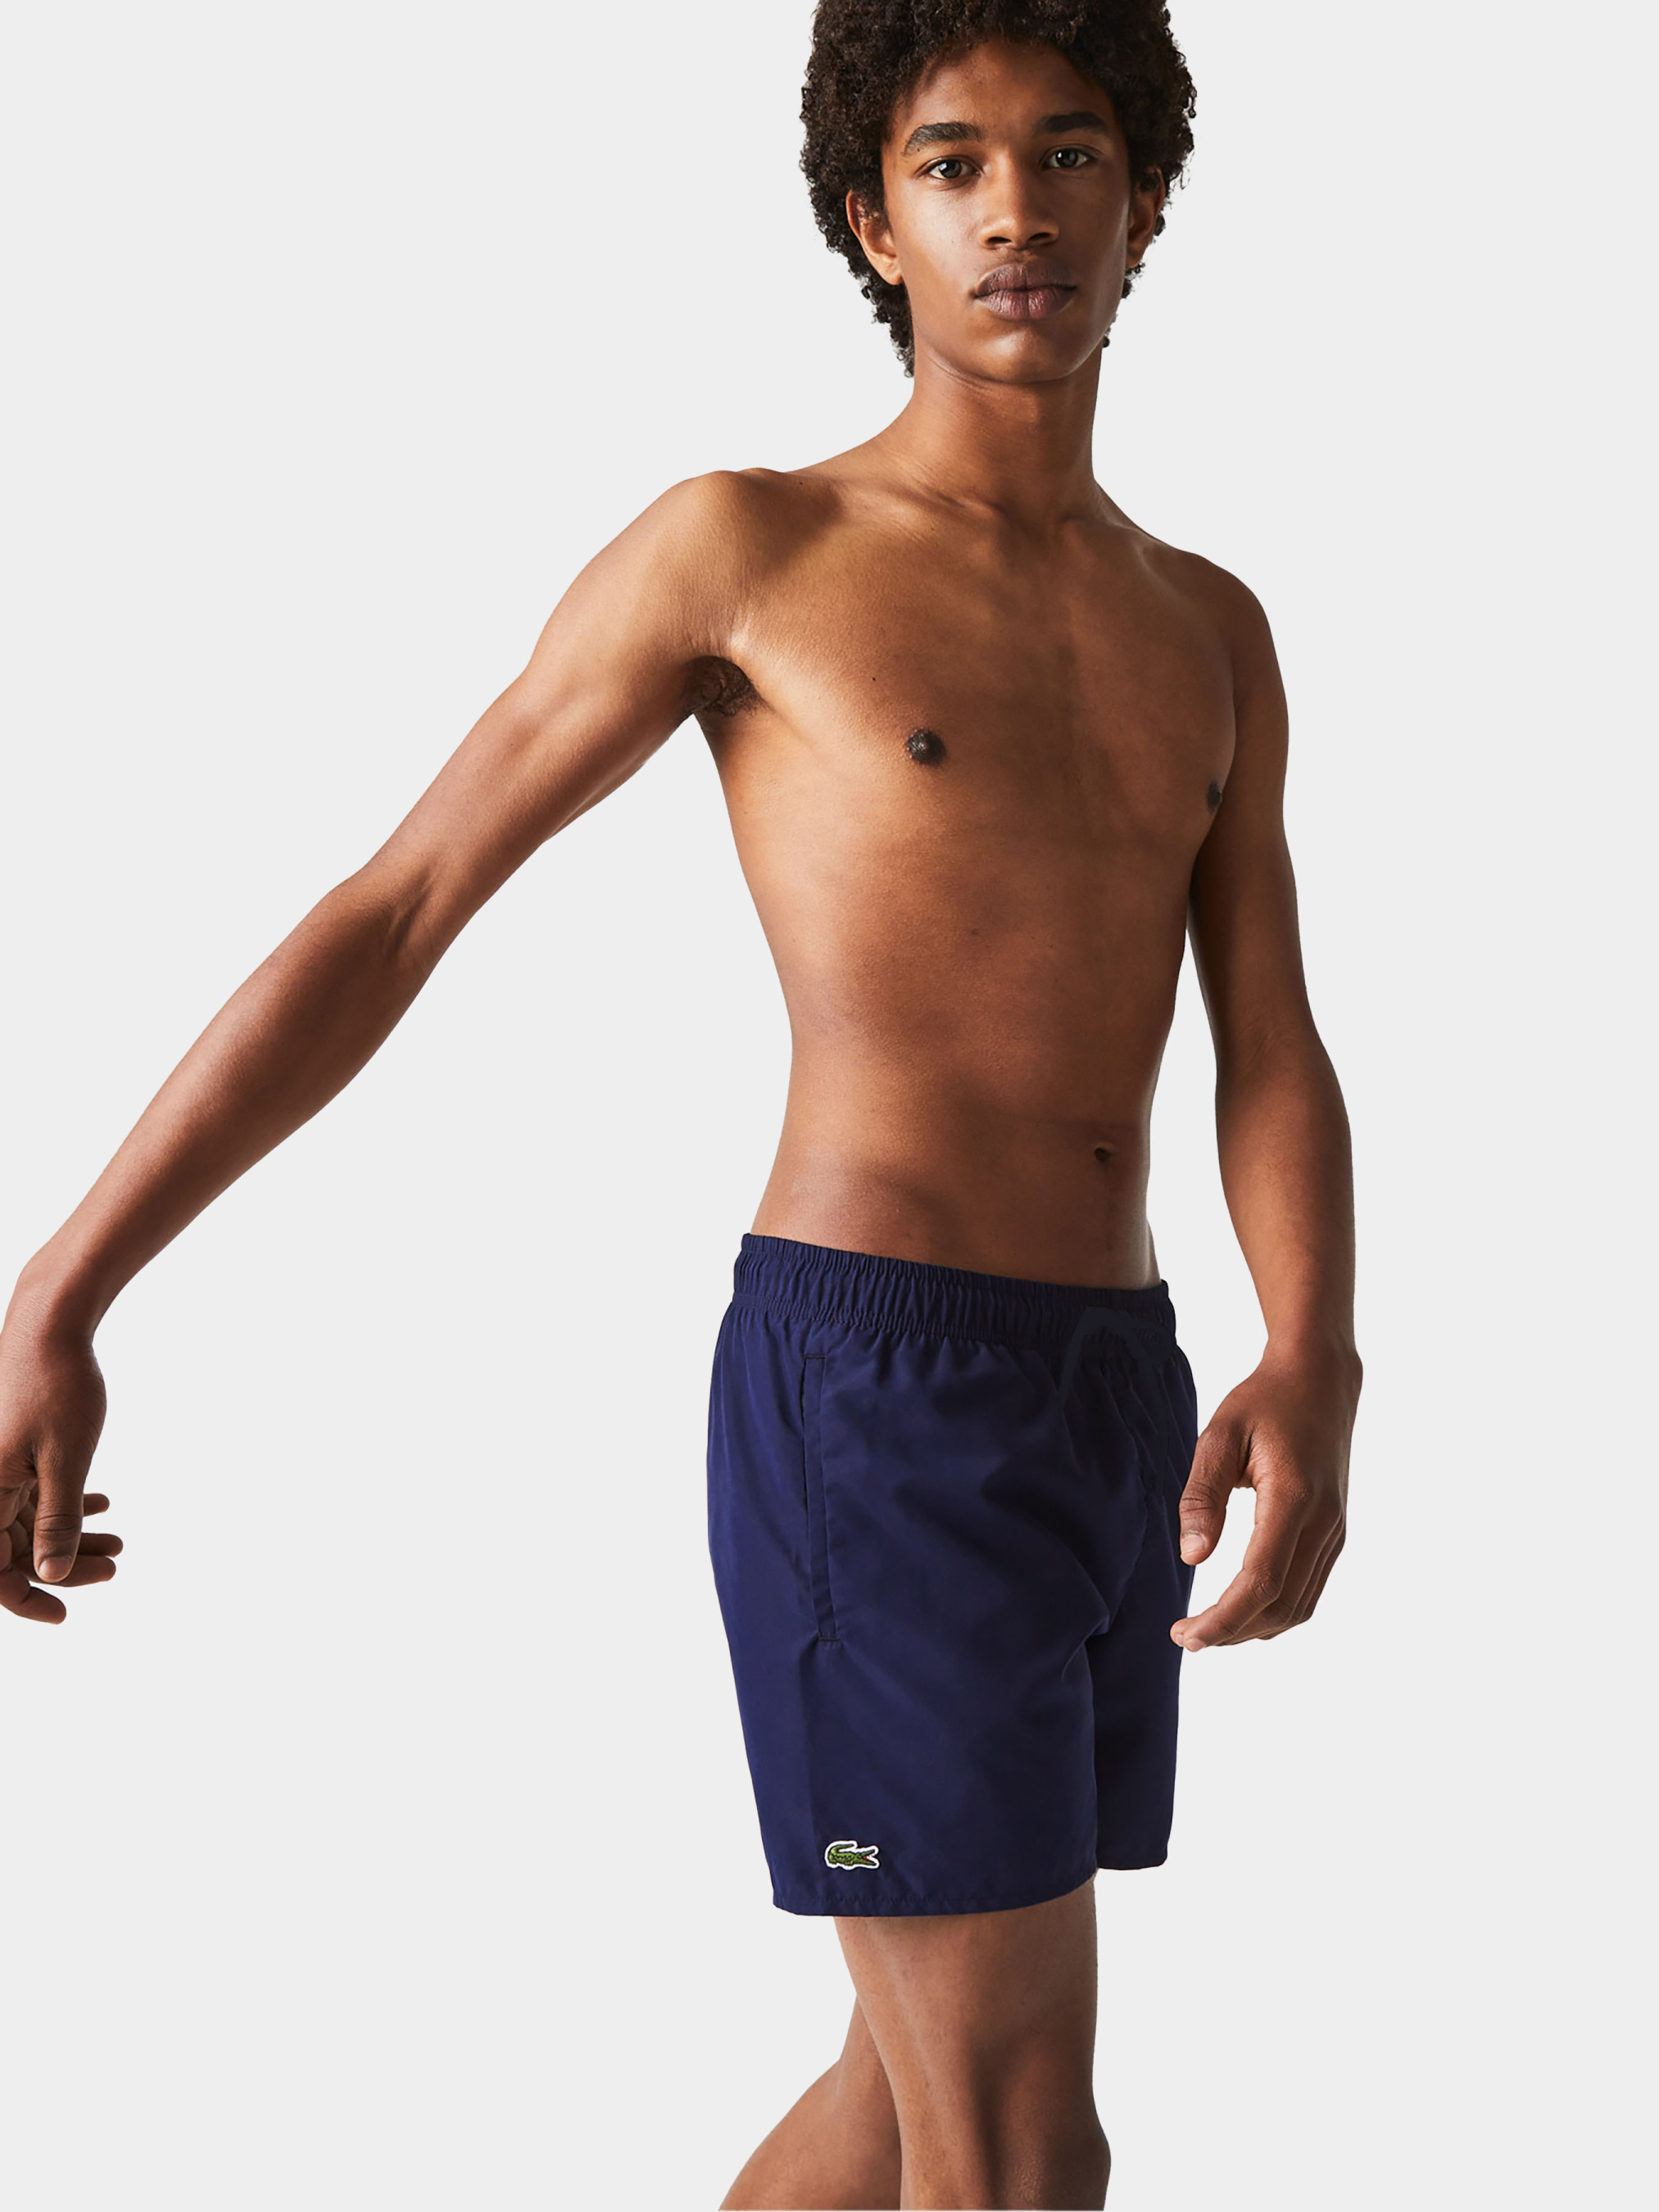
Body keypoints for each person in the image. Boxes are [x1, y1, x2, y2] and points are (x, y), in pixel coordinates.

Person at [0, 3, 1361, 2205]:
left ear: (1142, 199)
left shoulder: (1208, 627)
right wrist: (63, 1288)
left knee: (903, 2095)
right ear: (873, 221)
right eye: (951, 162)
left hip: (1114, 1390)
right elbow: (397, 910)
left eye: (1069, 151)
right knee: (1020, 2149)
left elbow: (1268, 1031)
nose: (1016, 208)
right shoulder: (750, 547)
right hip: (879, 1394)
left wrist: (1315, 1344)